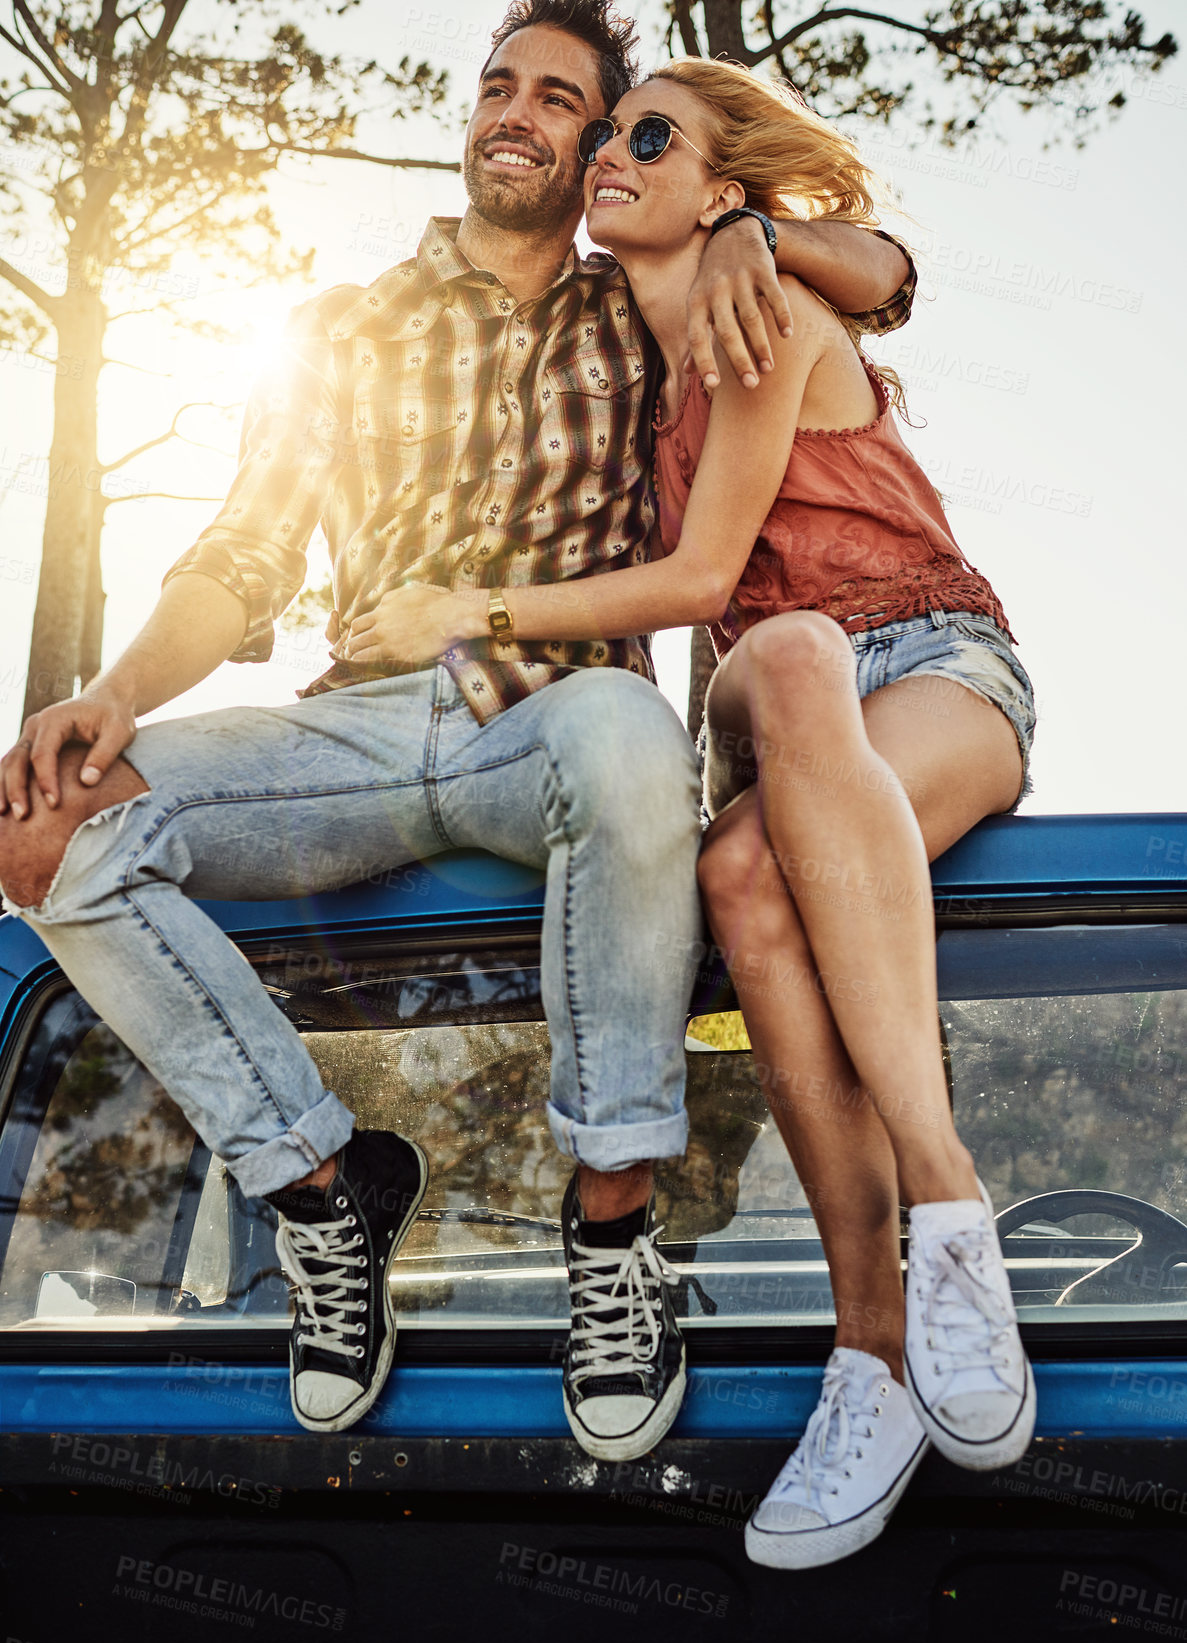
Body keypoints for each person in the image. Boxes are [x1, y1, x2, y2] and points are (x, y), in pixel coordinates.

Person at [0, 6, 913, 1455]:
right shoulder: (340, 329)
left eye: (564, 100)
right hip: (347, 742)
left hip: (546, 731)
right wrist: (111, 696)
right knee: (54, 825)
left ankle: (612, 1228)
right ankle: (318, 1186)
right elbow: (243, 557)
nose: (518, 113)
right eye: (499, 86)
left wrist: (754, 234)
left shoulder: (651, 301)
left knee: (623, 730)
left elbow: (882, 274)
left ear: (602, 143)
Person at [363, 55, 1037, 1562]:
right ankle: (927, 1240)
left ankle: (893, 1319)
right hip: (775, 694)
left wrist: (467, 609)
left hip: (933, 660)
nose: (605, 148)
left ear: (722, 188)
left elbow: (700, 578)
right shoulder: (625, 358)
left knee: (742, 876)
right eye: (604, 132)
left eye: (644, 133)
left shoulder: (776, 302)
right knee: (784, 660)